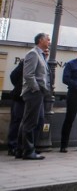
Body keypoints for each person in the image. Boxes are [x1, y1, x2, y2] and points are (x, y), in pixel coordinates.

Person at [17, 32, 51, 160]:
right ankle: (28, 151)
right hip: (33, 93)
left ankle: (20, 150)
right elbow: (28, 75)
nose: (49, 42)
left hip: (36, 93)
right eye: (48, 39)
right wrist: (36, 89)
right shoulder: (33, 53)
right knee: (31, 122)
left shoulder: (41, 55)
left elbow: (40, 73)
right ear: (40, 40)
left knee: (29, 121)